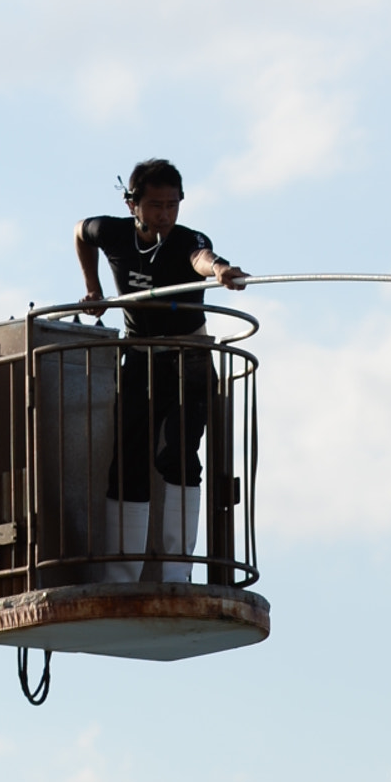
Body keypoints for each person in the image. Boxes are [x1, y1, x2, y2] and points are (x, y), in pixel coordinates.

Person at [74, 161, 246, 583]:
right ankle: (120, 574)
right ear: (133, 204)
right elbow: (81, 231)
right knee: (129, 460)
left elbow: (201, 258)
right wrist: (93, 289)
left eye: (173, 205)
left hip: (188, 360)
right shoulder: (113, 233)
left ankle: (176, 573)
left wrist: (220, 271)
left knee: (180, 457)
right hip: (139, 359)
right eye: (155, 206)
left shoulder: (188, 239)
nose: (165, 215)